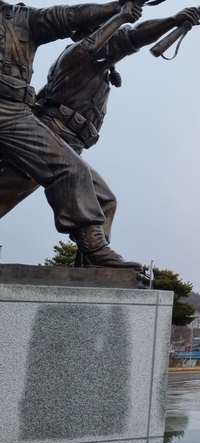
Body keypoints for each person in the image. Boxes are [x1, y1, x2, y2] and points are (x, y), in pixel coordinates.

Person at [0, 0, 141, 269]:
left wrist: (118, 8)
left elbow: (68, 16)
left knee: (72, 171)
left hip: (11, 112)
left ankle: (93, 250)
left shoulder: (21, 18)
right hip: (40, 123)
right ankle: (94, 251)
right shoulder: (78, 55)